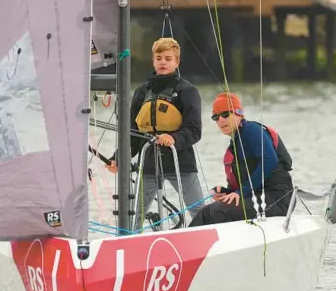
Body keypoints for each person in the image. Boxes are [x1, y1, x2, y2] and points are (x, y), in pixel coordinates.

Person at [106, 37, 204, 230]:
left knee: (198, 210)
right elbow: (132, 134)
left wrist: (173, 138)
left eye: (168, 58)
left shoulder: (188, 91)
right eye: (159, 58)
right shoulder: (141, 93)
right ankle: (130, 244)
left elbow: (194, 131)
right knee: (134, 216)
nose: (163, 62)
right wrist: (119, 158)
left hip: (180, 163)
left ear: (177, 62)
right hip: (148, 163)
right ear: (153, 61)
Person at [189, 92, 293, 227]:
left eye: (225, 114)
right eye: (216, 117)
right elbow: (243, 188)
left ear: (238, 114)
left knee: (217, 212)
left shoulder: (251, 130)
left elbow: (270, 160)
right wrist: (226, 192)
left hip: (277, 199)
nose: (221, 120)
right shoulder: (235, 145)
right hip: (256, 198)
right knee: (205, 213)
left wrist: (240, 192)